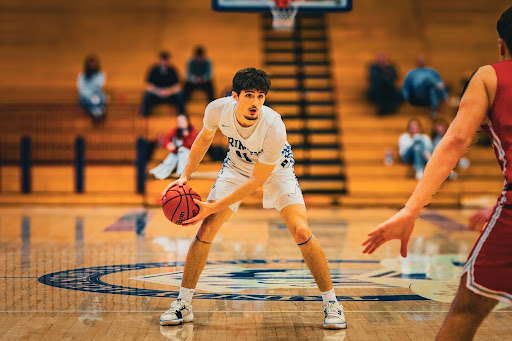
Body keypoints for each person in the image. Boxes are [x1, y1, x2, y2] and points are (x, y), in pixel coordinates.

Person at [363, 6, 512, 340]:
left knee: (468, 307)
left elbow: (456, 139)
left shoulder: (490, 76)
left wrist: (411, 209)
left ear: (501, 45)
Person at [159, 68, 347, 330]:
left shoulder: (274, 127)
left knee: (302, 230)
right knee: (206, 229)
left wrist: (212, 206)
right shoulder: (216, 110)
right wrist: (184, 177)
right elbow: (204, 138)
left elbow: (256, 182)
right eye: (249, 95)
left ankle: (332, 304)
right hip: (236, 168)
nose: (256, 102)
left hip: (277, 170)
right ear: (235, 96)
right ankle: (183, 303)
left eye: (261, 96)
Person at [150, 115, 198, 180]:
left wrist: (186, 137)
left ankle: (182, 172)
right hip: (177, 156)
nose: (180, 123)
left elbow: (194, 146)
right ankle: (159, 172)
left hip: (187, 156)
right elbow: (166, 139)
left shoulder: (192, 132)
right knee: (171, 156)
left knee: (182, 150)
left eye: (182, 121)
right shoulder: (175, 131)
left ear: (187, 122)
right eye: (179, 121)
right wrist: (168, 144)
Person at [141, 51, 186, 117]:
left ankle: (182, 116)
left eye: (165, 60)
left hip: (170, 95)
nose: (164, 62)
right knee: (147, 95)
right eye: (162, 60)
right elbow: (148, 86)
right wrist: (158, 91)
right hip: (156, 94)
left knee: (180, 95)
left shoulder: (172, 70)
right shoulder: (153, 70)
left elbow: (178, 86)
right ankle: (145, 116)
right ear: (159, 60)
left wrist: (168, 91)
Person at [77, 54, 107, 120]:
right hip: (86, 98)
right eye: (90, 64)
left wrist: (94, 95)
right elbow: (81, 89)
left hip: (96, 96)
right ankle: (96, 112)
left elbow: (98, 88)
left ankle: (97, 112)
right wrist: (90, 96)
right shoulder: (82, 76)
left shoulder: (101, 75)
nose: (92, 66)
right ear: (87, 65)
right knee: (94, 100)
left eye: (93, 64)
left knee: (101, 98)